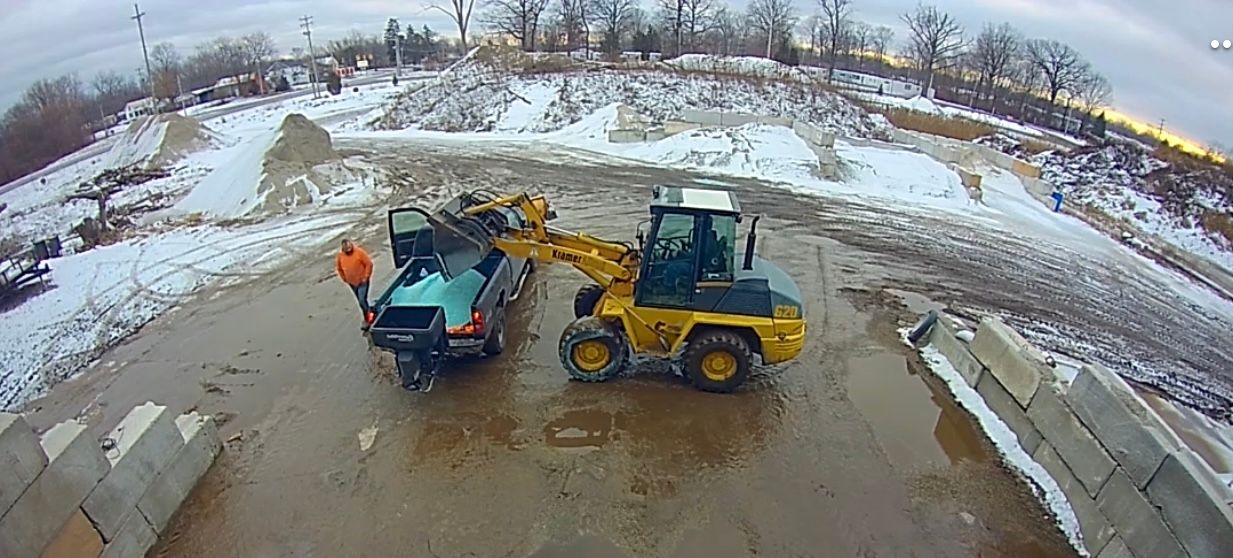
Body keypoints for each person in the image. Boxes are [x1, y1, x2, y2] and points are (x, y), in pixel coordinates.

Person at [335, 239, 374, 329]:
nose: (348, 249)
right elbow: (339, 268)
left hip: (362, 282)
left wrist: (366, 276)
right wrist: (345, 279)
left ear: (351, 245)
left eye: (349, 247)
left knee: (361, 300)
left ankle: (368, 319)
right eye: (346, 248)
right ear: (343, 249)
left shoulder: (359, 252)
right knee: (361, 302)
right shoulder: (340, 256)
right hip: (352, 283)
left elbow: (369, 264)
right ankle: (369, 314)